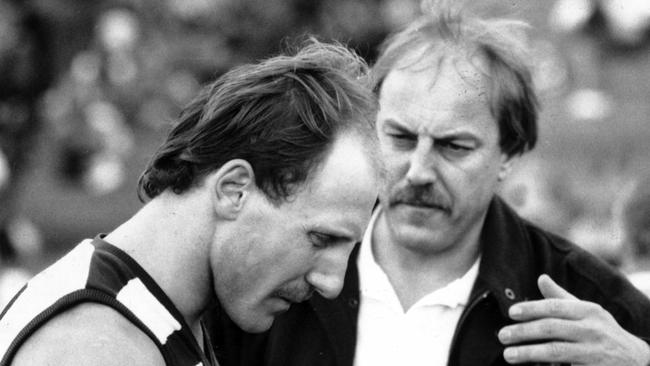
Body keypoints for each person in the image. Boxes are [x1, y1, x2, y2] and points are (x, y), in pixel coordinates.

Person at [209, 4, 650, 366]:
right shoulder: (283, 265)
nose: (418, 170)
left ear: (510, 154)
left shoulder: (582, 301)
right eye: (399, 138)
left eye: (454, 146)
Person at [0, 39, 382, 366]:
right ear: (234, 189)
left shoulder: (148, 315)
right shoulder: (94, 346)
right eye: (321, 239)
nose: (332, 283)